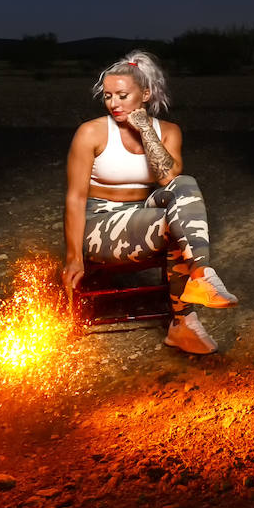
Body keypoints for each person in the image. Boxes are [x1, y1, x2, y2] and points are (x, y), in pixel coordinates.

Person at [61, 50, 237, 354]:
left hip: (141, 217)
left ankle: (198, 281)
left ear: (145, 94)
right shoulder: (91, 133)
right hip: (99, 224)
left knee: (186, 183)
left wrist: (144, 128)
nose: (113, 104)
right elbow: (75, 198)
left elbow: (168, 177)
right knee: (175, 223)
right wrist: (74, 256)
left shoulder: (168, 132)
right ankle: (186, 316)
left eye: (122, 95)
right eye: (108, 96)